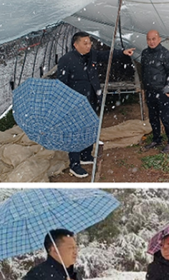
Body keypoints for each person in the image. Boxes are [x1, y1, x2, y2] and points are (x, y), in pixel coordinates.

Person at [57, 32, 135, 178]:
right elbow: (61, 84)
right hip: (76, 103)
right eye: (85, 43)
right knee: (75, 133)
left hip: (92, 98)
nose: (89, 45)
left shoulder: (91, 54)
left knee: (90, 127)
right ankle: (74, 164)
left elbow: (105, 55)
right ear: (76, 44)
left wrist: (123, 53)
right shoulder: (66, 60)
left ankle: (85, 155)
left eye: (89, 42)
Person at [140, 30, 169, 154]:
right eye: (149, 39)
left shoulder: (166, 54)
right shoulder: (145, 53)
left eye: (153, 39)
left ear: (159, 39)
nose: (151, 42)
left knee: (165, 118)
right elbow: (143, 72)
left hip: (161, 92)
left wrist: (167, 91)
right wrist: (144, 88)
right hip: (150, 91)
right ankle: (157, 139)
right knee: (153, 117)